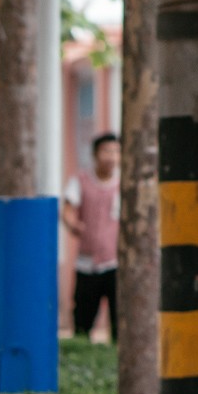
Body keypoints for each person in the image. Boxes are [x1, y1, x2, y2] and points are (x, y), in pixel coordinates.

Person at [61, 133, 120, 340]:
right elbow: (68, 207)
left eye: (115, 151)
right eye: (106, 151)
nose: (111, 157)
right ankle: (81, 354)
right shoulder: (81, 180)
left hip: (116, 261)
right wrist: (73, 224)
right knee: (83, 317)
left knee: (120, 317)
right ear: (95, 154)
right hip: (87, 261)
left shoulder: (123, 183)